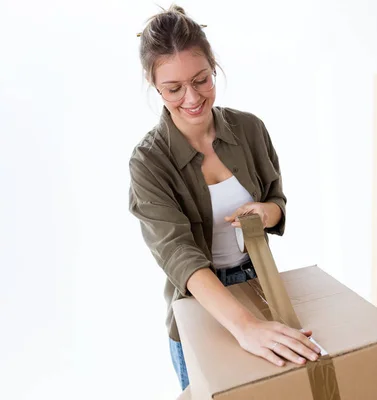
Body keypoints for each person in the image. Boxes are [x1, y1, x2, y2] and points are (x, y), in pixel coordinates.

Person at [128, 4, 321, 391]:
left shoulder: (250, 130)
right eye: (173, 88)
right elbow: (179, 256)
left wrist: (263, 213)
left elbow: (276, 202)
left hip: (261, 288)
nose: (192, 98)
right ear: (154, 85)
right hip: (201, 304)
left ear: (214, 66)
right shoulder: (148, 161)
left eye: (201, 80)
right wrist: (246, 327)